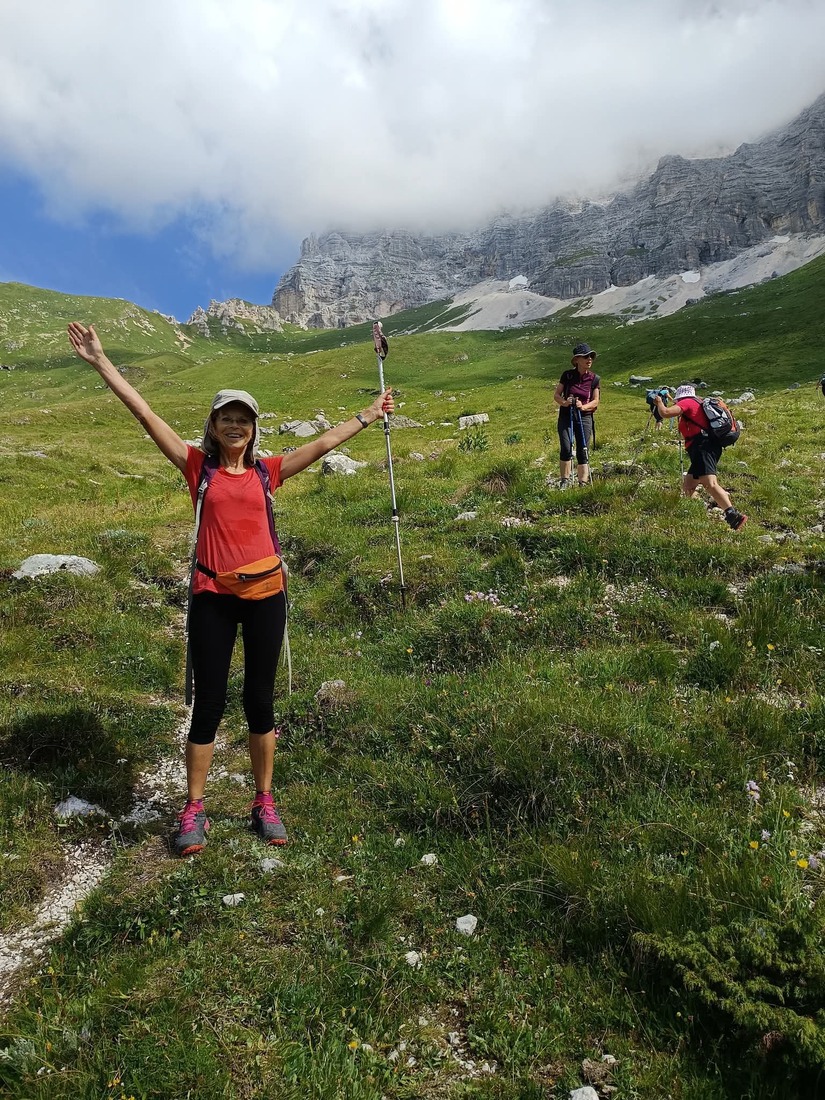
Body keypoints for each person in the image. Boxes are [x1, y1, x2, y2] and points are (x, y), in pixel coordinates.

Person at [67, 321, 394, 855]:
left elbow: (324, 442)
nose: (235, 426)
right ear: (214, 426)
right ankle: (194, 807)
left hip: (266, 596)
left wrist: (370, 413)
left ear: (253, 428)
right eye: (227, 418)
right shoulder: (197, 468)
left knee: (259, 699)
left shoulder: (268, 472)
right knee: (209, 703)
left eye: (243, 419)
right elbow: (145, 414)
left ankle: (263, 801)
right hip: (212, 599)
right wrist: (102, 362)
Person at [653, 384, 747, 530]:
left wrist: (659, 402)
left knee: (710, 483)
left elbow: (665, 413)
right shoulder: (698, 402)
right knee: (688, 485)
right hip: (705, 447)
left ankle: (733, 515)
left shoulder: (687, 402)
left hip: (703, 447)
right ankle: (691, 513)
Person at [553, 342, 600, 488]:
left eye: (591, 356)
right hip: (566, 415)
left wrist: (583, 406)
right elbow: (556, 395)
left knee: (583, 449)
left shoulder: (594, 379)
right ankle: (565, 480)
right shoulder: (567, 375)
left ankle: (582, 482)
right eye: (586, 356)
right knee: (566, 447)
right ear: (577, 360)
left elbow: (596, 401)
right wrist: (565, 402)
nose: (589, 359)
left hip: (584, 417)